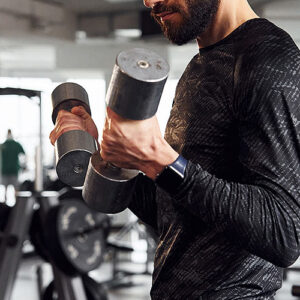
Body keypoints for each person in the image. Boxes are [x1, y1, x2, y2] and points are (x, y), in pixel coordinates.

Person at [50, 0, 300, 298]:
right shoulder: (201, 65)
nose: (149, 1)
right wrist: (109, 153)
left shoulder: (268, 57)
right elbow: (173, 213)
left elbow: (285, 232)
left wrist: (159, 159)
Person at [0, 129, 26, 203]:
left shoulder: (2, 145)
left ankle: (4, 205)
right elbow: (23, 154)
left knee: (5, 189)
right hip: (14, 170)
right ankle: (16, 205)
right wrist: (23, 165)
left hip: (5, 170)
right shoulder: (16, 144)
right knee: (15, 189)